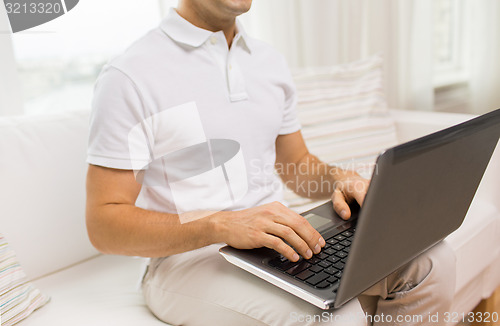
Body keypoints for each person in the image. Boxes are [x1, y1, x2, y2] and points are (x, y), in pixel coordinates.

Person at [85, 0, 456, 325]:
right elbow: (104, 225)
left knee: (433, 262)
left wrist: (336, 179)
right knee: (334, 315)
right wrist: (220, 224)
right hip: (185, 261)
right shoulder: (130, 74)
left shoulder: (268, 61)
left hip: (276, 242)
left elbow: (296, 164)